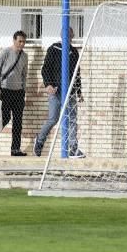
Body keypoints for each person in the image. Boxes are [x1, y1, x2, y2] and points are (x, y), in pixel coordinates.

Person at [33, 28, 84, 158]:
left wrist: (79, 91)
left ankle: (73, 148)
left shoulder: (74, 52)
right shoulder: (54, 49)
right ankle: (39, 140)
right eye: (66, 34)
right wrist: (48, 84)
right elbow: (45, 69)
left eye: (71, 34)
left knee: (72, 119)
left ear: (73, 35)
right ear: (61, 35)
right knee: (53, 119)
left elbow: (76, 73)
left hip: (70, 91)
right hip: (56, 90)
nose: (69, 36)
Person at [0, 30, 29, 156]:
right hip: (5, 90)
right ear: (14, 40)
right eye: (20, 41)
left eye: (24, 42)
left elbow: (24, 74)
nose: (22, 44)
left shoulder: (24, 56)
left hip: (18, 92)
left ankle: (15, 149)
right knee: (5, 117)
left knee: (18, 122)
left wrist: (23, 89)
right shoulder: (5, 52)